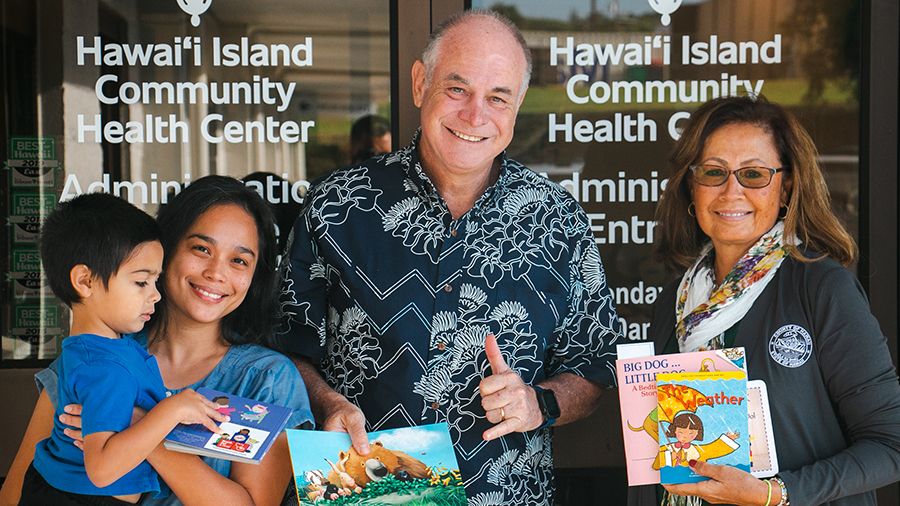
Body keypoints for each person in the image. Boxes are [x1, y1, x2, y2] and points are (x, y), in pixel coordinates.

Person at [276, 10, 621, 505]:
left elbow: (594, 367)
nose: (475, 116)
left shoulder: (558, 219)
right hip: (363, 494)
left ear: (518, 104)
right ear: (420, 84)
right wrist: (325, 401)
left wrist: (539, 402)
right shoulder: (337, 204)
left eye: (497, 97)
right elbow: (288, 346)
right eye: (457, 90)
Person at [631, 96, 900, 506]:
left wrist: (776, 494)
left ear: (786, 185)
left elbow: (890, 444)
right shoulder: (675, 301)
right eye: (713, 172)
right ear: (692, 184)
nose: (731, 191)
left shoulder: (821, 288)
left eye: (754, 174)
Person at [1, 176, 313, 506]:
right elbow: (14, 495)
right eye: (201, 248)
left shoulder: (267, 378)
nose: (216, 273)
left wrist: (142, 425)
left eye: (239, 260)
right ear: (165, 252)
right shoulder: (99, 354)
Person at [20, 193, 226, 505]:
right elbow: (102, 470)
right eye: (142, 282)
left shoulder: (102, 350)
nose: (155, 296)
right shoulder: (105, 368)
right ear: (85, 281)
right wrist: (170, 411)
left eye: (156, 281)